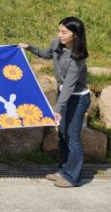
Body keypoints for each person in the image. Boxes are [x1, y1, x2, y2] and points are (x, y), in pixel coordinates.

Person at [19, 17, 90, 188]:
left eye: (64, 32)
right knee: (63, 134)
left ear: (75, 35)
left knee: (72, 137)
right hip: (63, 95)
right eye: (59, 31)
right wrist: (29, 47)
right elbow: (46, 54)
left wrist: (57, 108)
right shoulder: (57, 44)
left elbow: (69, 85)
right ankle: (64, 170)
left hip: (77, 98)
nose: (60, 35)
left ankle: (73, 177)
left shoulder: (78, 57)